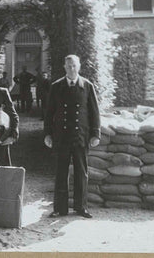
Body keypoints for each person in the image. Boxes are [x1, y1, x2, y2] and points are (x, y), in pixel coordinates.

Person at [43, 54, 100, 218]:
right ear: (64, 67)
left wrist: (95, 133)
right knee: (61, 172)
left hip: (80, 135)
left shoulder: (87, 86)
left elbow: (94, 112)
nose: (71, 69)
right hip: (61, 136)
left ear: (79, 66)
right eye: (68, 66)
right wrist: (47, 134)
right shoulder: (56, 86)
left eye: (74, 65)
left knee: (81, 172)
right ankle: (60, 209)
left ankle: (81, 207)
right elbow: (49, 113)